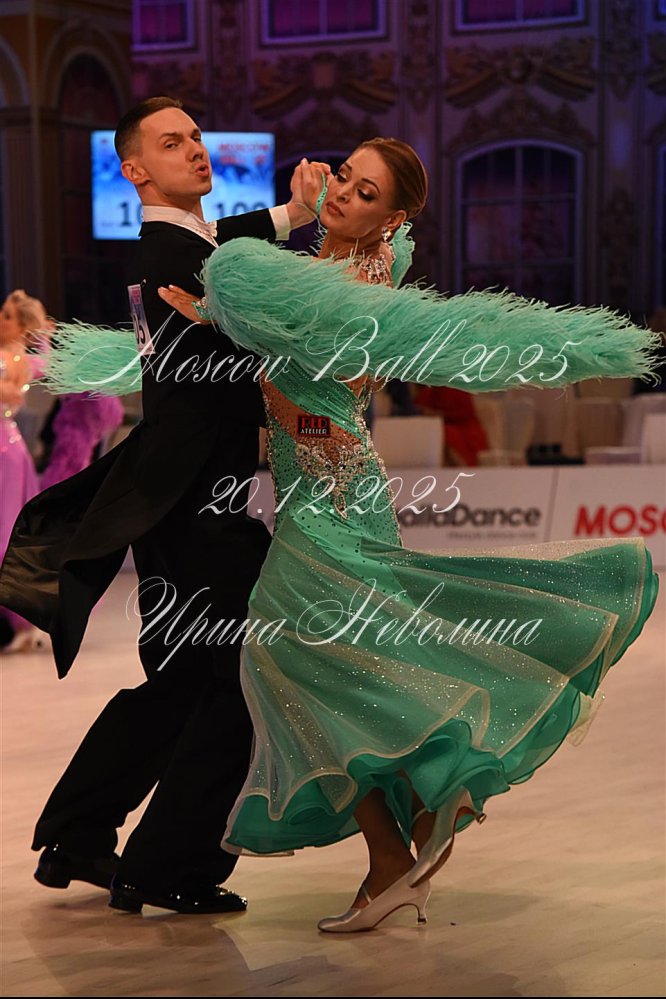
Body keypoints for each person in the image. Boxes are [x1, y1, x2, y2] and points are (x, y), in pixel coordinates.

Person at [38, 138, 661, 932]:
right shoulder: (313, 265)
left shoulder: (363, 281)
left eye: (366, 193)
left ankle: (411, 825)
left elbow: (328, 389)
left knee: (289, 662)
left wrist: (231, 335)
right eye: (343, 177)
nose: (342, 195)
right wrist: (231, 312)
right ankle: (409, 829)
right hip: (311, 495)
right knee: (333, 665)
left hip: (333, 494)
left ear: (390, 220)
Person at [0, 96, 326, 914]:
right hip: (197, 506)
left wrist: (290, 213)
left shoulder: (186, 244)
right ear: (135, 169)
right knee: (242, 674)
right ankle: (168, 862)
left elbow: (219, 242)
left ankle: (79, 831)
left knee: (182, 679)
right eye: (173, 143)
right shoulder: (175, 255)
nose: (197, 150)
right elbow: (221, 282)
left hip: (179, 500)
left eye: (197, 138)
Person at [0, 291, 48, 653]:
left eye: (7, 316)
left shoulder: (17, 358)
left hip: (6, 450)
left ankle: (21, 621)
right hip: (8, 448)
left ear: (21, 326)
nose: (0, 321)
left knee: (7, 534)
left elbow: (15, 396)